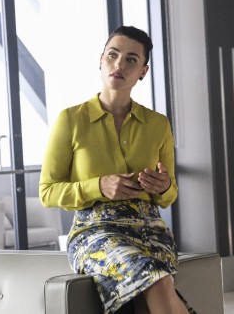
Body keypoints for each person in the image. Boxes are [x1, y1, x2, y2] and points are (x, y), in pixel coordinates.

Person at [40, 26, 196, 314]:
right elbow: (47, 192)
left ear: (143, 71)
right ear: (101, 59)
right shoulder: (71, 119)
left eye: (131, 59)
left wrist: (161, 186)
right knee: (157, 280)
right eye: (113, 55)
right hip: (94, 231)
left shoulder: (158, 124)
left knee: (151, 284)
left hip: (151, 229)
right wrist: (98, 186)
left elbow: (169, 193)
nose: (119, 64)